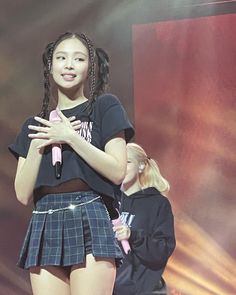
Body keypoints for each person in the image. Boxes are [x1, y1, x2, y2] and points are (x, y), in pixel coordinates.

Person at [8, 32, 134, 295]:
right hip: (44, 222)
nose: (68, 65)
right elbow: (22, 194)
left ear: (89, 68)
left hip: (90, 215)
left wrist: (70, 138)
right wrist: (37, 143)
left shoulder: (105, 107)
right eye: (61, 58)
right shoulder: (34, 126)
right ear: (50, 66)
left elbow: (117, 170)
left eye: (78, 59)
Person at [113, 143, 175, 295]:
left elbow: (163, 249)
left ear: (141, 166)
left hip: (143, 290)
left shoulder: (157, 204)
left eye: (127, 162)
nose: (122, 167)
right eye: (118, 162)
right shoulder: (107, 201)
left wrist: (133, 235)